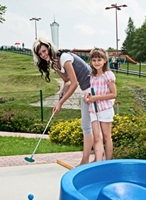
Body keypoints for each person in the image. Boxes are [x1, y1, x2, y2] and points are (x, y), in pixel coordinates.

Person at [32, 37, 98, 165]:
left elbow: (74, 84)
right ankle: (94, 159)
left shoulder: (64, 58)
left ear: (50, 48)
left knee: (88, 125)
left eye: (44, 51)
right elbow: (67, 81)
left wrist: (61, 103)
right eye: (40, 54)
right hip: (86, 90)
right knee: (88, 125)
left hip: (93, 88)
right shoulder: (54, 63)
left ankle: (86, 161)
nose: (43, 55)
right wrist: (61, 94)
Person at [85, 48, 117, 161]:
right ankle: (99, 163)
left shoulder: (108, 75)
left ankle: (108, 162)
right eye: (94, 60)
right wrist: (87, 97)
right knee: (97, 138)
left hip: (105, 109)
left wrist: (96, 98)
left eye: (99, 59)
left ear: (104, 61)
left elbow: (114, 94)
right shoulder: (92, 76)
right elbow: (91, 92)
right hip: (94, 110)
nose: (96, 62)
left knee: (107, 137)